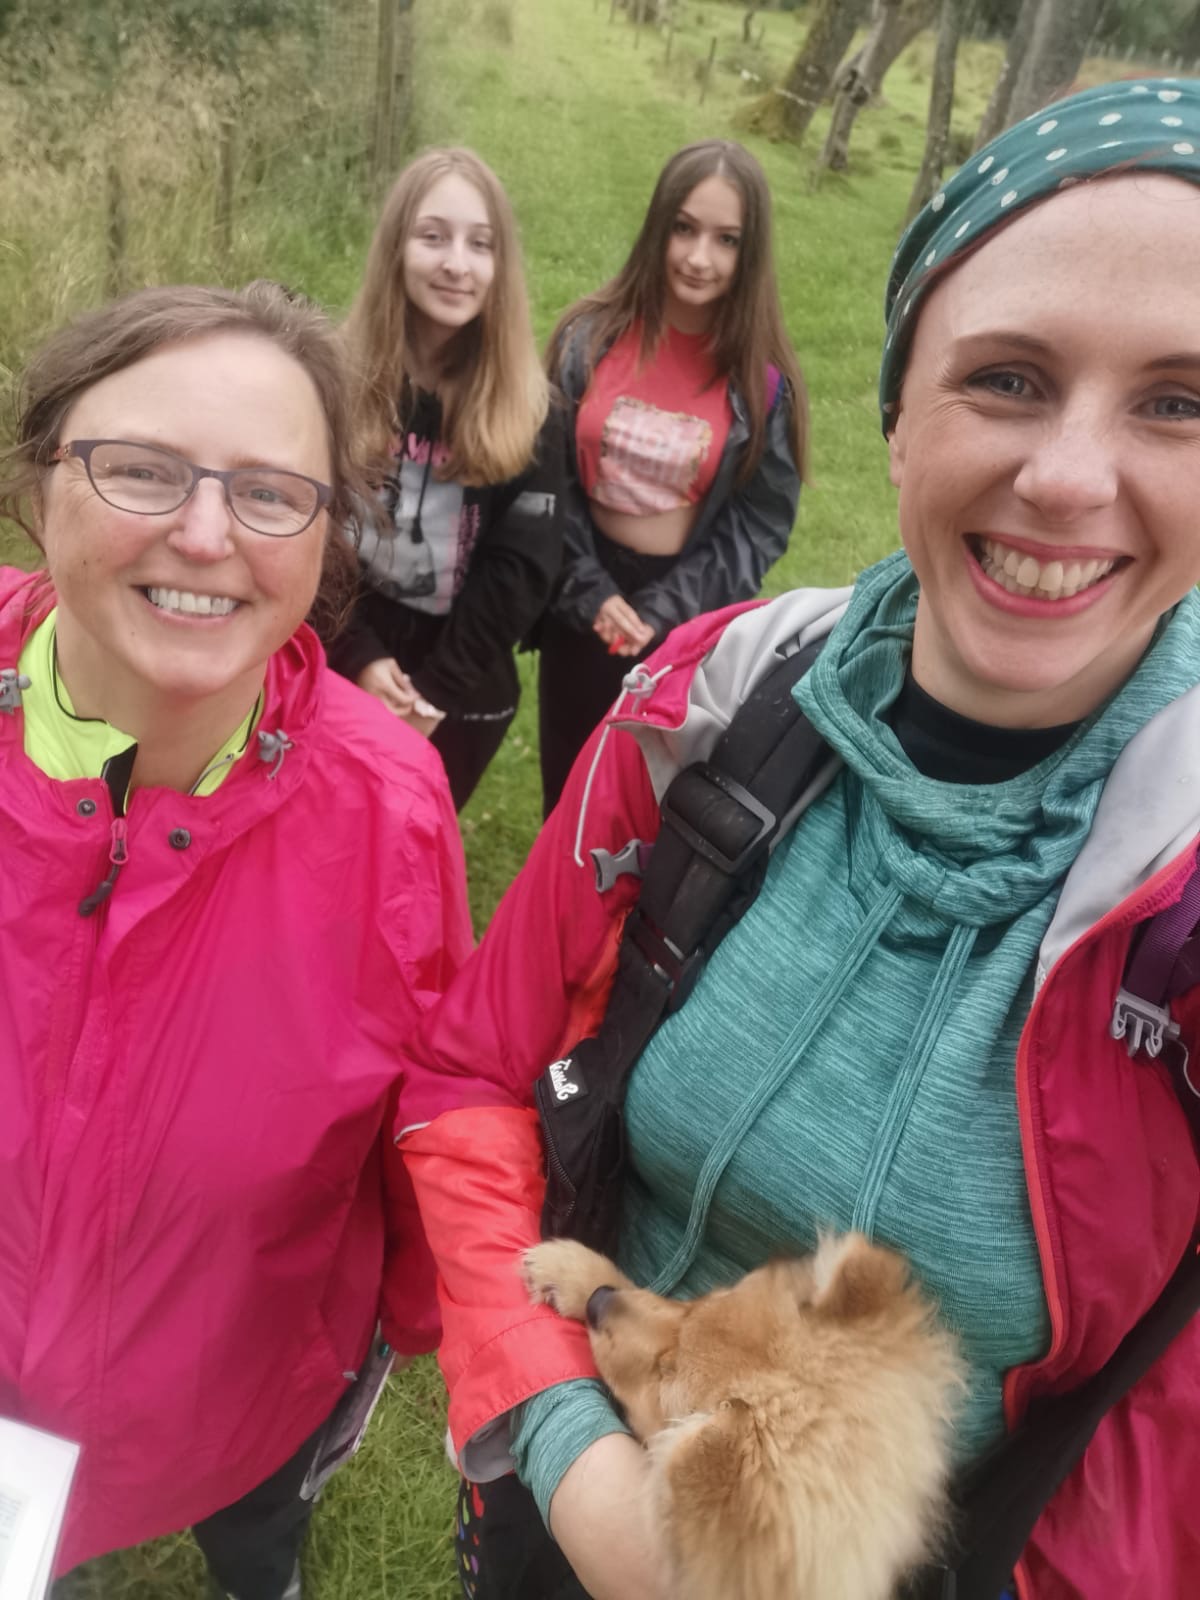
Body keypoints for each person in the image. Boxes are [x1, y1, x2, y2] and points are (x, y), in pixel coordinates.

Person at [398, 80, 1200, 1600]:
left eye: (1179, 401)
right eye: (1008, 378)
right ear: (898, 416)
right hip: (574, 1481)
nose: (1069, 477)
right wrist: (569, 1461)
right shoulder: (708, 700)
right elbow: (468, 1079)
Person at [0, 282, 473, 1600]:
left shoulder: (389, 808)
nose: (205, 535)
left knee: (256, 1545)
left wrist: (417, 1312)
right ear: (42, 482)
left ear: (326, 539)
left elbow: (426, 1115)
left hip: (248, 1389)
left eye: (270, 493)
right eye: (143, 470)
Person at [537, 138, 807, 816]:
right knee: (566, 789)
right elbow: (545, 481)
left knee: (645, 800)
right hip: (582, 598)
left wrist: (666, 611)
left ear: (749, 253)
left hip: (683, 610)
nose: (698, 257)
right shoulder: (587, 340)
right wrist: (589, 590)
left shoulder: (762, 384)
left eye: (726, 239)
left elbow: (759, 523)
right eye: (684, 229)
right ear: (658, 227)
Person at [331, 147, 565, 811]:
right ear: (395, 249)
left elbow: (520, 571)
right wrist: (358, 655)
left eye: (479, 244)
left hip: (462, 679)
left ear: (500, 265)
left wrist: (433, 693)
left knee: (409, 834)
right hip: (339, 643)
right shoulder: (334, 379)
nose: (457, 264)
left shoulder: (535, 412)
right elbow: (306, 527)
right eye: (433, 237)